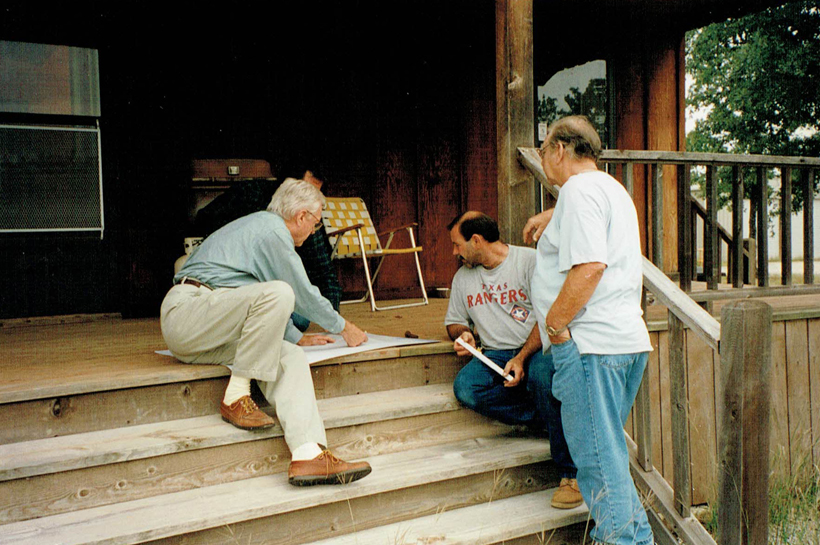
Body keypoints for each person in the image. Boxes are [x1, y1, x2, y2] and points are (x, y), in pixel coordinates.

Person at [161, 178, 371, 486]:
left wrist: (296, 337)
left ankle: (308, 454)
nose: (314, 230)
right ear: (301, 216)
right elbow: (299, 293)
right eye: (315, 222)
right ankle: (236, 397)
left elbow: (251, 300)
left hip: (208, 328)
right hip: (187, 312)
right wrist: (343, 326)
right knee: (281, 291)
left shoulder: (260, 231)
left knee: (290, 357)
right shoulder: (272, 229)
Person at [524, 115, 654, 545]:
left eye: (544, 150)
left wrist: (557, 326)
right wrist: (554, 213)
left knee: (597, 463)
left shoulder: (579, 192)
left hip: (589, 346)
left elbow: (590, 266)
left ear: (560, 150)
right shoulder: (609, 188)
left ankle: (622, 541)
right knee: (610, 458)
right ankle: (637, 539)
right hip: (625, 341)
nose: (542, 158)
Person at [445, 211, 581, 509]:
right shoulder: (462, 278)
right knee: (466, 388)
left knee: (542, 379)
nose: (454, 252)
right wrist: (464, 334)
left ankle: (570, 475)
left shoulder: (529, 262)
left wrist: (521, 357)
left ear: (477, 240)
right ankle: (546, 419)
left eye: (457, 244)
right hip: (494, 354)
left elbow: (548, 315)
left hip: (538, 346)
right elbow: (454, 321)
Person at [194, 163, 343, 313]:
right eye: (307, 191)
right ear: (287, 185)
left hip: (277, 290)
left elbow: (325, 272)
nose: (313, 199)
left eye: (317, 193)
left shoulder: (307, 217)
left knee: (299, 318)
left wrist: (334, 317)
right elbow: (204, 218)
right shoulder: (250, 194)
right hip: (235, 283)